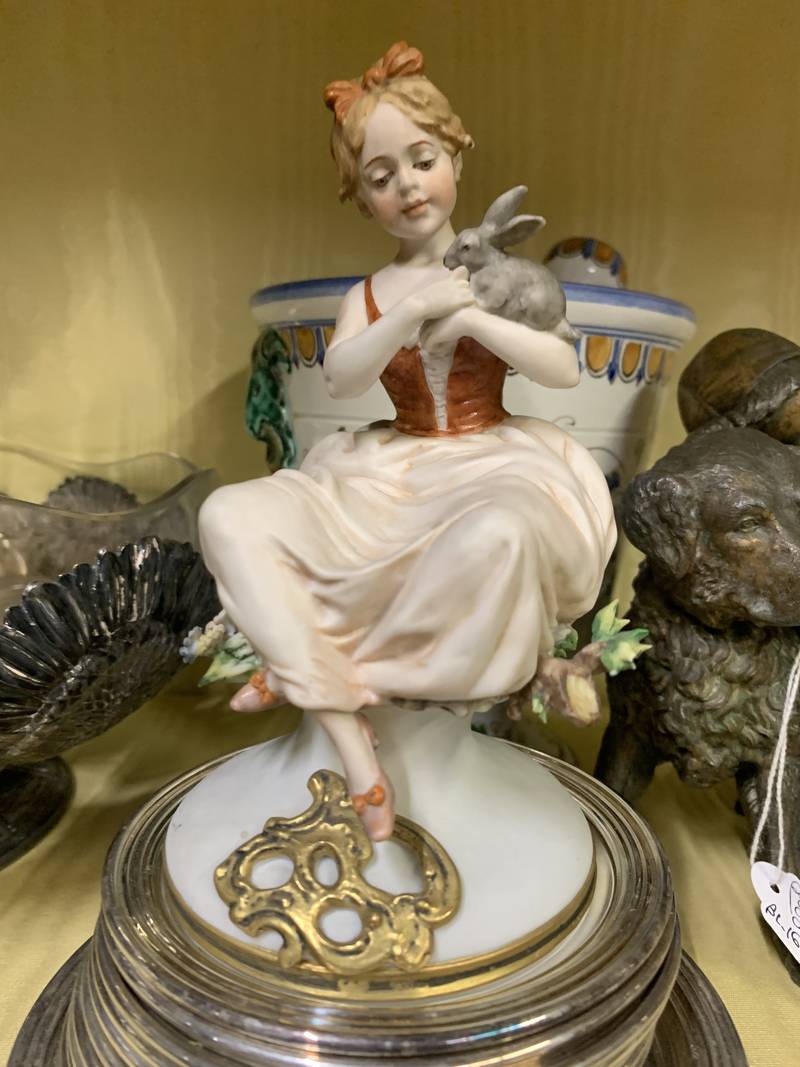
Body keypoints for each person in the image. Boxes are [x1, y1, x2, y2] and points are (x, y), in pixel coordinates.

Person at [199, 42, 615, 841]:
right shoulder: (369, 294)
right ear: (362, 199)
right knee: (229, 515)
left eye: (422, 161)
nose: (409, 187)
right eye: (382, 177)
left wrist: (471, 317)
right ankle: (345, 728)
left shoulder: (498, 274)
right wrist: (411, 311)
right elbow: (342, 377)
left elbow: (563, 367)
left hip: (489, 462)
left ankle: (306, 670)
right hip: (386, 473)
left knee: (501, 537)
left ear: (457, 155)